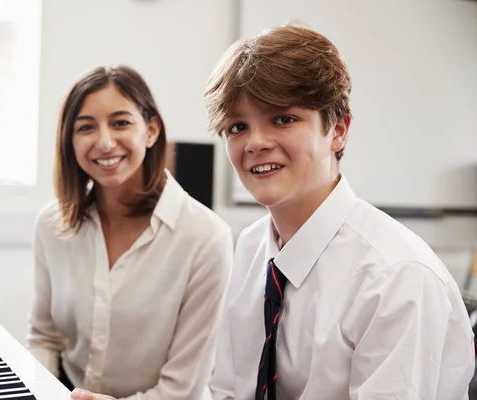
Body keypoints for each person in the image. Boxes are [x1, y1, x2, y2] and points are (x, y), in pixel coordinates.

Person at [204, 24, 475, 399]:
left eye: (283, 119)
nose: (256, 143)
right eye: (238, 127)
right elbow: (227, 390)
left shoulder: (396, 277)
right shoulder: (252, 247)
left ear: (338, 130)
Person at [26, 65, 233, 400]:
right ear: (69, 140)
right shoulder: (52, 225)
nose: (105, 142)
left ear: (151, 131)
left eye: (121, 123)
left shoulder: (206, 238)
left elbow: (184, 388)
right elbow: (44, 339)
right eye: (86, 127)